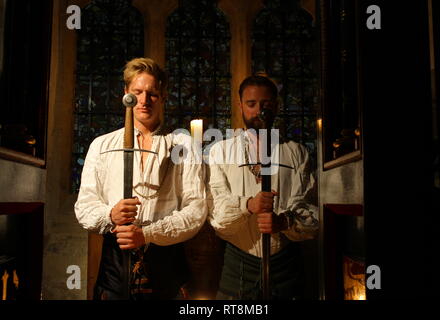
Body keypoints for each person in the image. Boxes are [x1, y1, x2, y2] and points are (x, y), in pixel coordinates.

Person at [74, 57, 207, 300]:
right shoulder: (101, 145)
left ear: (164, 96)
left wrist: (148, 234)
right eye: (137, 92)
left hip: (166, 262)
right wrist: (110, 215)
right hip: (115, 265)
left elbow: (196, 209)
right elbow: (84, 207)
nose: (144, 100)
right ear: (125, 94)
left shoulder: (183, 144)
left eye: (152, 93)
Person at [207, 75, 319, 300]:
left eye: (266, 104)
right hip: (239, 261)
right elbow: (217, 215)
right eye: (251, 104)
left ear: (276, 106)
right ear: (240, 106)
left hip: (284, 263)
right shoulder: (220, 151)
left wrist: (284, 222)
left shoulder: (295, 152)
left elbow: (311, 213)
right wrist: (248, 205)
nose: (259, 110)